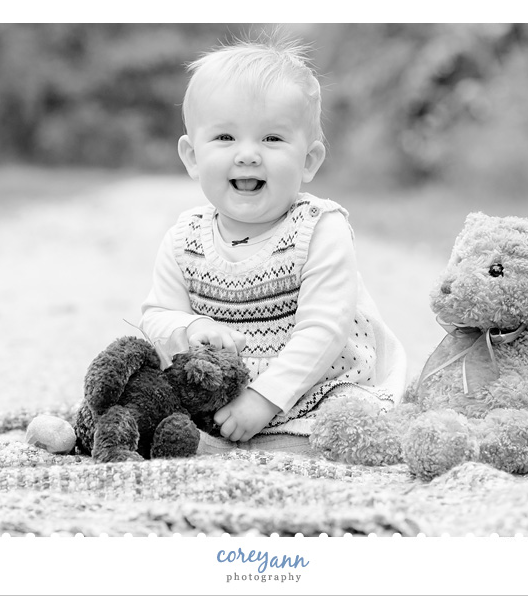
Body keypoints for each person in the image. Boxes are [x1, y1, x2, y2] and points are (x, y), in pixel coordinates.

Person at [140, 38, 407, 454]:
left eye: (271, 139)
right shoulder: (185, 238)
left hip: (318, 384)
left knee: (346, 429)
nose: (247, 155)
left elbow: (324, 331)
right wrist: (190, 327)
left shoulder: (319, 228)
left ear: (309, 161)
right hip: (222, 395)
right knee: (145, 402)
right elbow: (157, 315)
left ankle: (275, 441)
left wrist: (265, 398)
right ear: (192, 157)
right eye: (225, 137)